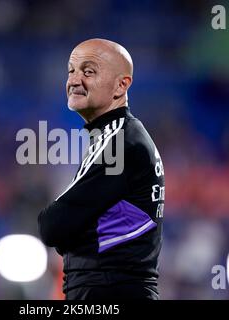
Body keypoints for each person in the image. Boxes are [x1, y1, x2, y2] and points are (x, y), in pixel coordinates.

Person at [38, 38, 165, 300]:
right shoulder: (117, 136)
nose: (74, 80)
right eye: (71, 71)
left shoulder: (119, 140)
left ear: (122, 85)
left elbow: (52, 226)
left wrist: (72, 235)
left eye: (88, 71)